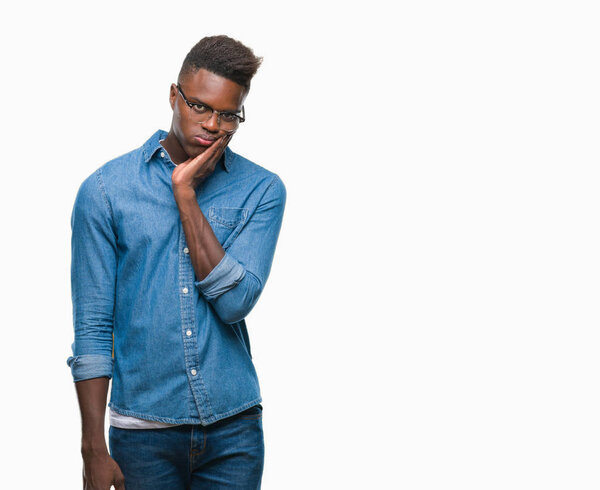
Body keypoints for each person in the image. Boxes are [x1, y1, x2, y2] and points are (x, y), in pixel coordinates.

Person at [67, 35, 286, 489]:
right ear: (174, 95)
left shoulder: (262, 190)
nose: (212, 124)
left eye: (229, 114)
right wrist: (92, 447)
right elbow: (92, 325)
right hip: (142, 437)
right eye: (200, 106)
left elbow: (234, 303)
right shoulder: (106, 191)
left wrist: (185, 196)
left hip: (234, 431)